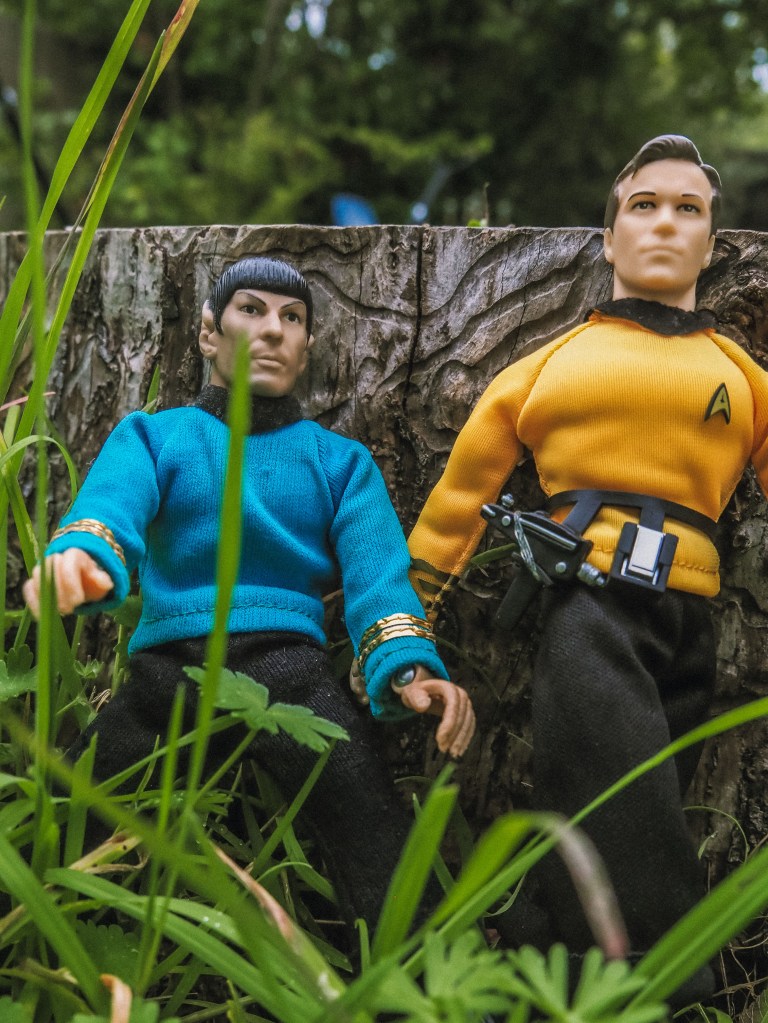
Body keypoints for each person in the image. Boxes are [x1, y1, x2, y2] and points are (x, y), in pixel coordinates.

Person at [407, 135, 768, 1004]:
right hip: (591, 606)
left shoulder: (741, 376)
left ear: (712, 245)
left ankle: (544, 943)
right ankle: (671, 977)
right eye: (644, 205)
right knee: (625, 796)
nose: (665, 223)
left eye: (688, 209)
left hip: (688, 619)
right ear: (608, 239)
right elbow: (463, 490)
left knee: (625, 790)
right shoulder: (554, 362)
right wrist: (413, 606)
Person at [24, 255, 475, 936]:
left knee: (367, 815)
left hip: (291, 670)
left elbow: (378, 576)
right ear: (209, 332)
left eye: (292, 318)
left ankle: (428, 969)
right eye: (252, 310)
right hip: (171, 667)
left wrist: (407, 665)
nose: (272, 331)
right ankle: (26, 931)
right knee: (75, 800)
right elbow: (113, 503)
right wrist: (85, 558)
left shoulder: (339, 463)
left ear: (307, 347)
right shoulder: (157, 435)